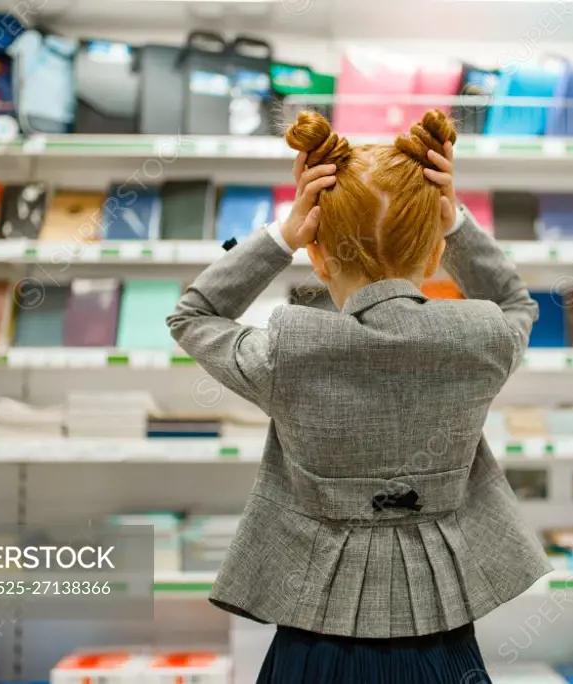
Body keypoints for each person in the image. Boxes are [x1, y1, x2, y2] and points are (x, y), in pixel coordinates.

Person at [167, 109, 551, 684]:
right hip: (441, 635)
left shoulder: (290, 347)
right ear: (431, 257)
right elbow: (517, 302)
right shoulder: (481, 337)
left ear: (318, 256)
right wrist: (456, 225)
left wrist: (283, 236)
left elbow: (194, 313)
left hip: (313, 638)